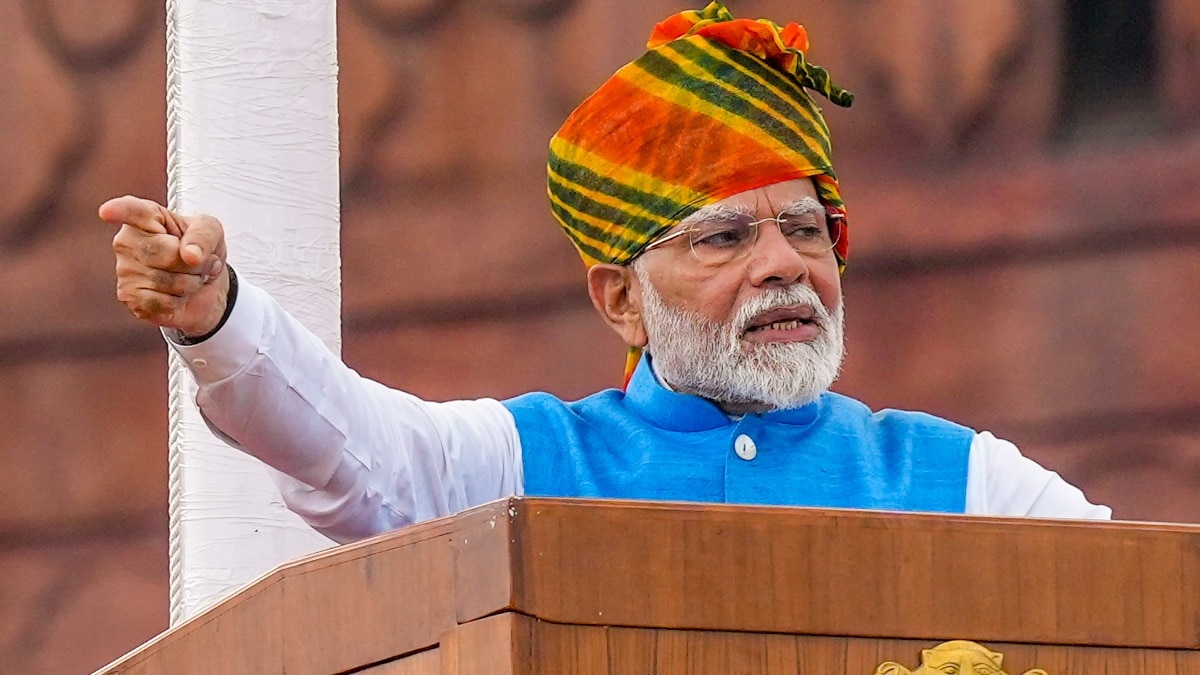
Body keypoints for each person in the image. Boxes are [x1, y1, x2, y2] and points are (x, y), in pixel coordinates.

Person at [98, 2, 1109, 544]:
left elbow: (1143, 614)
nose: (782, 268)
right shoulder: (519, 468)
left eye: (805, 230)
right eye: (723, 239)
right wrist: (216, 317)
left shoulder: (966, 484)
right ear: (620, 298)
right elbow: (347, 449)